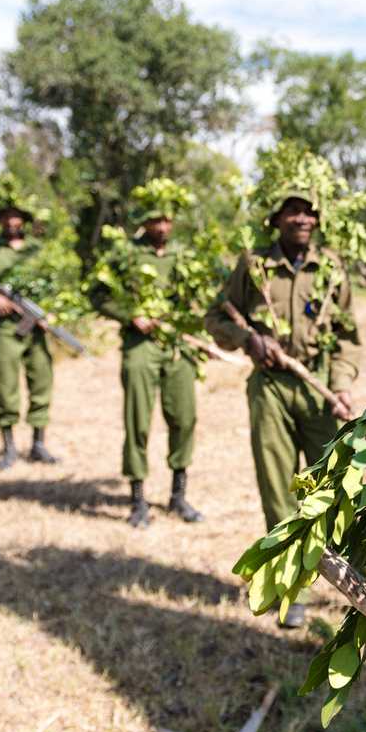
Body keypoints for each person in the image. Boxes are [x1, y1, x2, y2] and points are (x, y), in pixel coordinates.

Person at [205, 188, 361, 627]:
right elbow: (215, 317)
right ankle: (294, 590)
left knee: (328, 490)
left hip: (317, 390)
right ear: (275, 219)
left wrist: (342, 384)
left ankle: (349, 583)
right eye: (292, 211)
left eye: (309, 211)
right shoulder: (253, 266)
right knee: (278, 492)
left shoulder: (330, 269)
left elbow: (348, 338)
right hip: (270, 388)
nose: (302, 218)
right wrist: (248, 340)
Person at [90, 186, 204, 528]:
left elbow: (207, 293)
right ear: (145, 221)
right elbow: (97, 293)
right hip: (140, 346)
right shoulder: (125, 255)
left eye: (167, 219)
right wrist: (129, 314)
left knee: (184, 419)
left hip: (177, 344)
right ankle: (138, 500)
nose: (162, 226)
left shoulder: (185, 255)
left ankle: (178, 496)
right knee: (137, 421)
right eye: (156, 219)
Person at [0, 198, 61, 470]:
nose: (11, 222)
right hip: (7, 327)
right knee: (7, 386)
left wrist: (49, 313)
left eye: (16, 217)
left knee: (41, 381)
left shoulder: (38, 251)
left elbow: (55, 284)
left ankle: (39, 444)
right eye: (6, 217)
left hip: (35, 328)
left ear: (24, 220)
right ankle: (9, 448)